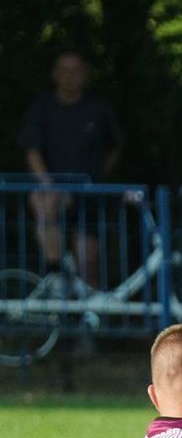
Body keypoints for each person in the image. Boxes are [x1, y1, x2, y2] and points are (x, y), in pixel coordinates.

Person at [19, 49, 125, 282]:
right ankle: (55, 274)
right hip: (54, 189)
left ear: (86, 74)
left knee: (89, 260)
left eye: (76, 71)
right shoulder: (42, 107)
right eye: (64, 70)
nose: (70, 76)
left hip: (89, 193)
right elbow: (31, 149)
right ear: (55, 74)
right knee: (43, 202)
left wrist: (98, 175)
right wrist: (48, 185)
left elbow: (115, 146)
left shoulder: (99, 107)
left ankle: (90, 311)